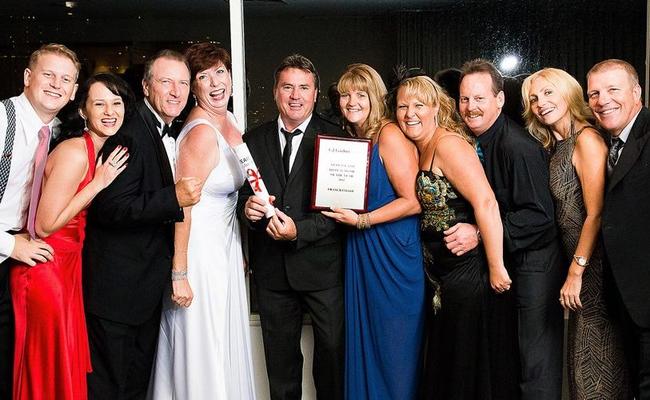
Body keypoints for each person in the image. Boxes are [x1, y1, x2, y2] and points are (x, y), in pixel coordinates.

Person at [83, 50, 202, 400]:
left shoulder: (160, 130)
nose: (176, 91)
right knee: (111, 388)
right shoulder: (130, 134)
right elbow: (111, 208)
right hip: (116, 292)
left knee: (134, 386)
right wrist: (173, 198)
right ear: (147, 87)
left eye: (183, 83)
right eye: (166, 82)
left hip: (140, 290)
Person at [11, 73, 132, 400]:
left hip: (67, 268)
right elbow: (45, 224)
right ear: (83, 111)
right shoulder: (76, 152)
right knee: (47, 369)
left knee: (63, 366)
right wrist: (98, 183)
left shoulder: (99, 150)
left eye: (116, 103)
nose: (110, 111)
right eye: (99, 103)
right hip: (44, 269)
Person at [393, 72, 511, 399]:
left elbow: (486, 201)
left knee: (464, 367)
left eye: (419, 105)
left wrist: (497, 264)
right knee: (448, 364)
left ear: (436, 107)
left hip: (467, 272)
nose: (410, 113)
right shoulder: (418, 146)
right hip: (440, 276)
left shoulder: (449, 144)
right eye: (403, 106)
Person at [148, 42, 255, 400]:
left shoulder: (229, 121)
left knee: (222, 343)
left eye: (220, 72)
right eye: (203, 77)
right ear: (194, 87)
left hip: (225, 247)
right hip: (198, 251)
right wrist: (180, 273)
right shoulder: (200, 133)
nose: (215, 83)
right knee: (202, 346)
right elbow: (184, 207)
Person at [237, 54, 346, 400]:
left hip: (323, 270)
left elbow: (340, 210)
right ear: (275, 93)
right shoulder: (251, 141)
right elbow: (243, 196)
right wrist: (248, 210)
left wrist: (299, 231)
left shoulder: (336, 139)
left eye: (303, 87)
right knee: (280, 367)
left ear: (315, 94)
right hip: (272, 273)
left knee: (331, 358)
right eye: (287, 87)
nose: (295, 95)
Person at [454, 59, 564, 400]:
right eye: (464, 99)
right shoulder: (473, 142)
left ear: (499, 100)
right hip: (508, 261)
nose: (470, 107)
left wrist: (479, 232)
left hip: (535, 264)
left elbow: (539, 216)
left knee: (535, 360)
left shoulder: (517, 146)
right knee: (511, 357)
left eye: (479, 99)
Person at [521, 67, 630, 399]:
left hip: (595, 271)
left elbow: (596, 213)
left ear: (568, 93)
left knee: (597, 375)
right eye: (534, 98)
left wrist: (576, 270)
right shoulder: (557, 145)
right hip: (580, 275)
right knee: (581, 375)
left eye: (549, 93)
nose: (541, 104)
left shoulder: (587, 139)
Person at [320, 63, 424, 399]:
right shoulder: (355, 139)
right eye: (345, 95)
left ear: (375, 97)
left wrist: (363, 221)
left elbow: (414, 201)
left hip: (392, 254)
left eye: (360, 94)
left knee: (394, 349)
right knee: (370, 343)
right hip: (362, 251)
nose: (351, 101)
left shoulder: (390, 134)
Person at [0, 43, 80, 399]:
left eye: (65, 79)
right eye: (48, 75)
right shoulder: (2, 121)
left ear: (74, 90)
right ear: (28, 77)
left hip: (16, 267)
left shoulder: (61, 132)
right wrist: (11, 244)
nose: (55, 84)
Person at [587, 59, 650, 399]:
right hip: (627, 296)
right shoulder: (607, 142)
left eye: (613, 90)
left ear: (636, 92)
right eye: (594, 93)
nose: (602, 100)